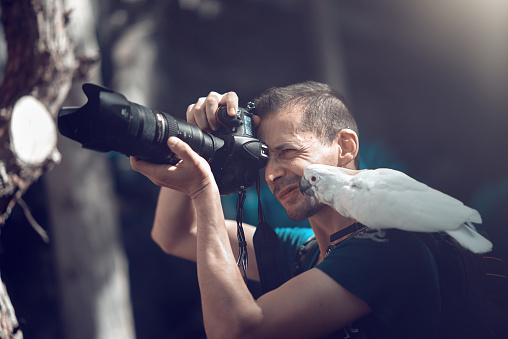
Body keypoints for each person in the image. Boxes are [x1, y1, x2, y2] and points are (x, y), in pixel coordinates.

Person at [130, 81, 441, 339]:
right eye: (264, 159)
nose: (271, 174)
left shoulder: (386, 249)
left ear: (345, 147)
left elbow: (235, 330)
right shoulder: (306, 253)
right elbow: (175, 234)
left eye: (288, 151)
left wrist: (202, 189)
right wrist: (192, 142)